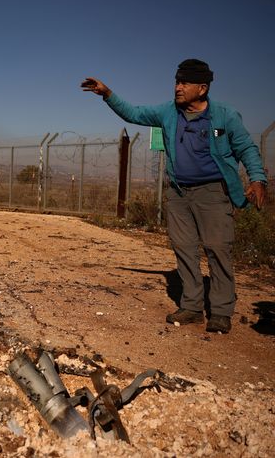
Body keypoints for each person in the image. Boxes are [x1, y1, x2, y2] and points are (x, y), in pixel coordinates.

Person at [81, 59, 267, 334]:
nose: (178, 88)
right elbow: (134, 113)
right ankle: (192, 306)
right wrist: (108, 94)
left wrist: (258, 179)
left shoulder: (224, 117)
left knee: (218, 250)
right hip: (179, 193)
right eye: (177, 82)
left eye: (184, 83)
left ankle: (220, 311)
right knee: (184, 248)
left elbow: (246, 148)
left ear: (202, 88)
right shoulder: (169, 112)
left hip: (213, 193)